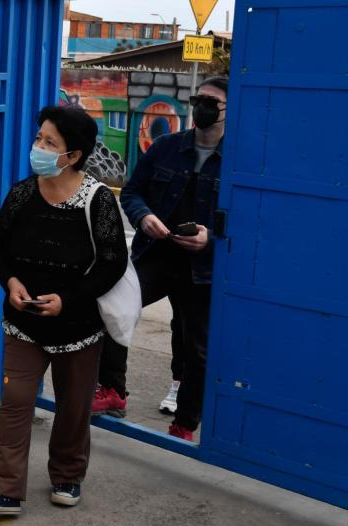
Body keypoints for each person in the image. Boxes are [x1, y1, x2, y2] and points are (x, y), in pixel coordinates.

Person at [0, 106, 128, 515]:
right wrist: (12, 283)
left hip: (78, 325)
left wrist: (68, 300)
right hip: (24, 322)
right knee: (16, 400)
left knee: (74, 407)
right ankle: (4, 489)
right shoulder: (22, 193)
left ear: (72, 155)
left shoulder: (98, 201)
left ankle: (67, 476)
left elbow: (113, 262)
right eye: (39, 138)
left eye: (49, 142)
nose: (37, 147)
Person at [92, 76, 228, 441]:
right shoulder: (166, 146)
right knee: (112, 308)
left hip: (202, 269)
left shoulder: (238, 163)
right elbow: (132, 192)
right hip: (156, 255)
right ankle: (113, 391)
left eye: (212, 102)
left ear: (230, 111)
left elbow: (249, 223)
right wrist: (143, 217)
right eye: (200, 99)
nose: (203, 106)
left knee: (196, 348)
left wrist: (210, 240)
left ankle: (184, 424)